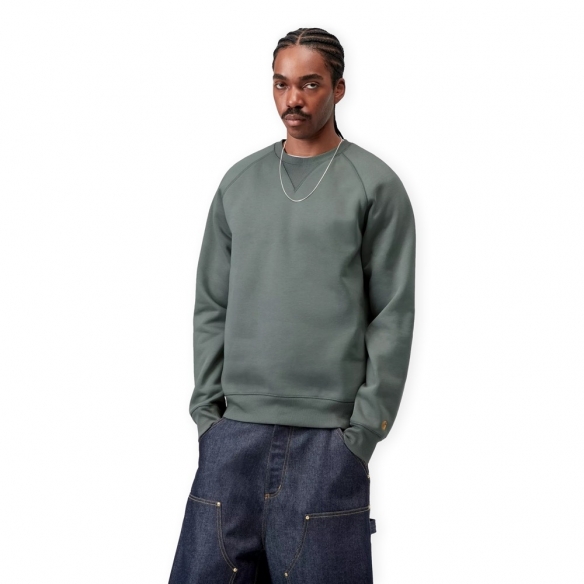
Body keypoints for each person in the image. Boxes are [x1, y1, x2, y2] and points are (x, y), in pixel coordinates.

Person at [168, 27, 416, 584]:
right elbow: (211, 304)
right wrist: (208, 416)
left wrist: (362, 433)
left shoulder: (374, 185)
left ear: (339, 88)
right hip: (234, 435)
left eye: (309, 84)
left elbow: (392, 315)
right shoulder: (239, 182)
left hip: (328, 442)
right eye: (281, 84)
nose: (292, 99)